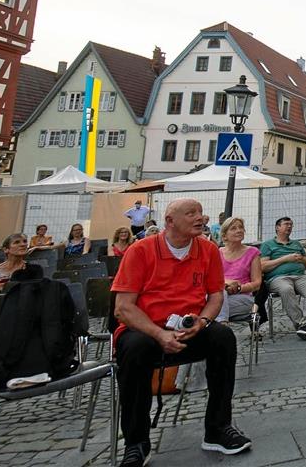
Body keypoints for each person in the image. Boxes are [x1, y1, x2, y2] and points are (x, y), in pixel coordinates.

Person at [111, 198, 251, 465]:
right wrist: (158, 333)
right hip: (146, 328)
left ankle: (218, 428)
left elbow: (214, 296)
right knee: (134, 350)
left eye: (201, 212)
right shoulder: (140, 251)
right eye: (191, 214)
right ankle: (136, 441)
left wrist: (203, 321)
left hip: (189, 326)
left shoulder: (208, 250)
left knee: (223, 338)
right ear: (170, 221)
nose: (200, 218)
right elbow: (123, 308)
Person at [259, 217, 306, 340]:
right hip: (278, 278)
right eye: (286, 224)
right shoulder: (268, 245)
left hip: (300, 276)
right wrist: (285, 259)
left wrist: (303, 260)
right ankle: (300, 324)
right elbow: (263, 267)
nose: (289, 227)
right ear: (277, 227)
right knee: (286, 289)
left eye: (291, 224)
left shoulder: (296, 244)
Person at [216, 218, 261, 322]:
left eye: (241, 227)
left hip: (242, 297)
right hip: (221, 294)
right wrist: (227, 283)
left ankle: (221, 324)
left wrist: (239, 288)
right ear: (224, 236)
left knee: (209, 308)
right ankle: (222, 324)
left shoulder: (253, 252)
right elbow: (212, 278)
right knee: (218, 297)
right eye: (233, 228)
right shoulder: (217, 253)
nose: (239, 230)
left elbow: (257, 284)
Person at [0, 233, 43, 301]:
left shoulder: (35, 270)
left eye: (25, 241)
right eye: (17, 242)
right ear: (6, 249)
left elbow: (37, 296)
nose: (23, 244)